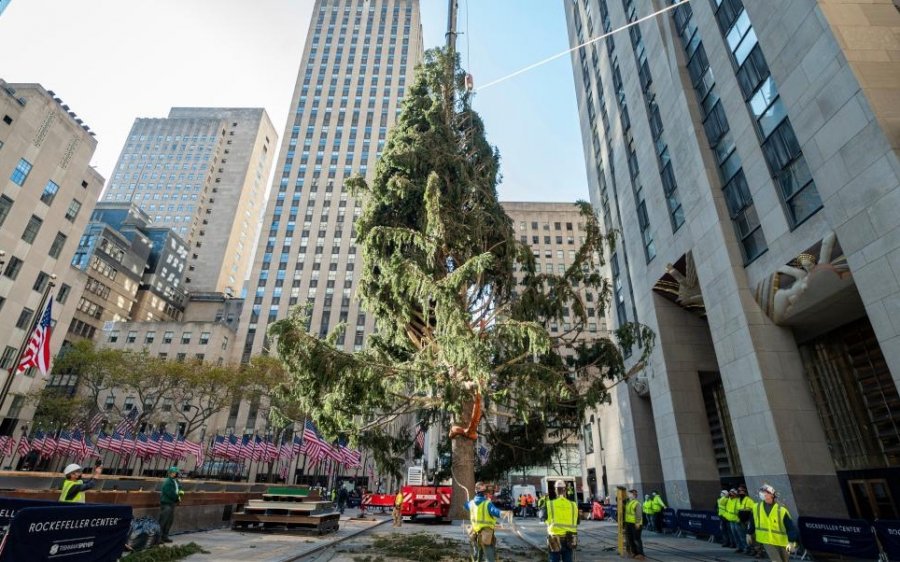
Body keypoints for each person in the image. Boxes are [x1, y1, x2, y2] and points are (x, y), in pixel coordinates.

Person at [750, 485, 799, 562]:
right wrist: (749, 533)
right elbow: (753, 521)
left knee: (785, 560)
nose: (762, 494)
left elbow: (790, 526)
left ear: (772, 495)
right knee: (776, 560)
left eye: (765, 492)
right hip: (767, 541)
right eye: (761, 492)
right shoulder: (756, 507)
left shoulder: (781, 509)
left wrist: (792, 541)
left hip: (784, 542)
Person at [464, 482, 509, 562]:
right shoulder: (487, 504)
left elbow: (466, 506)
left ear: (475, 491)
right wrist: (503, 513)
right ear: (484, 493)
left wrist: (466, 503)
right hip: (486, 535)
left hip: (475, 533)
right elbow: (495, 512)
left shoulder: (471, 503)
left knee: (478, 555)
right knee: (489, 556)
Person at [542, 480, 579, 562]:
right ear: (565, 490)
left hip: (554, 537)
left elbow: (543, 518)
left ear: (555, 490)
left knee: (554, 559)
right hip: (570, 538)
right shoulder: (573, 505)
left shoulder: (550, 504)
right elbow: (577, 521)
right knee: (568, 559)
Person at [159, 466, 183, 543]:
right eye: (175, 473)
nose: (177, 474)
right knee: (163, 520)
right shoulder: (168, 482)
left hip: (172, 503)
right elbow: (170, 493)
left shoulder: (176, 481)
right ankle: (158, 537)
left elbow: (179, 489)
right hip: (166, 503)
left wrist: (180, 494)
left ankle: (165, 536)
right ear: (171, 473)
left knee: (169, 521)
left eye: (177, 473)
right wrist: (177, 498)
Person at [623, 488, 645, 560]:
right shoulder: (628, 502)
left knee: (636, 539)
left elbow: (638, 514)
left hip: (635, 523)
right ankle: (635, 553)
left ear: (634, 495)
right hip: (628, 523)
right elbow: (620, 501)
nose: (628, 495)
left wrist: (638, 523)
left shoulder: (637, 503)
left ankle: (640, 554)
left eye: (630, 494)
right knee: (630, 538)